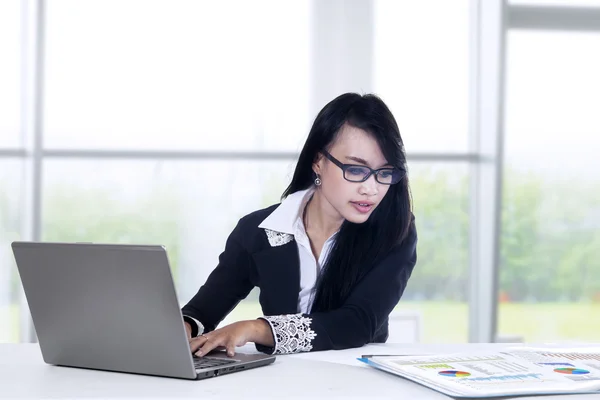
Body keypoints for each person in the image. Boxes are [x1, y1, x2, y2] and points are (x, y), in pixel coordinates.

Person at [182, 92, 417, 357]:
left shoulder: (396, 231)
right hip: (279, 383)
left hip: (355, 383)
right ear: (318, 162)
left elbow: (357, 323)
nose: (371, 189)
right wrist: (185, 326)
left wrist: (256, 329)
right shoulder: (259, 230)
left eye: (384, 173)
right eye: (356, 170)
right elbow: (202, 311)